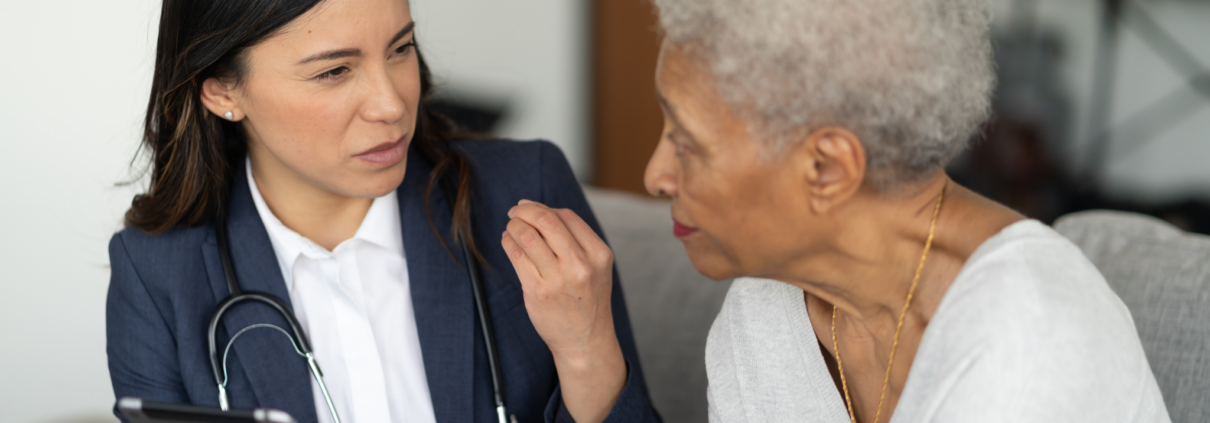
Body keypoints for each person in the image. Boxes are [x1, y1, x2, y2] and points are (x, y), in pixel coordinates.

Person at [505, 0, 1171, 421]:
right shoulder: (763, 310)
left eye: (688, 142)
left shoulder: (1030, 341)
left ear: (827, 168)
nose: (654, 175)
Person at [105, 0, 660, 422]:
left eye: (400, 49)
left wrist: (586, 352)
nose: (392, 104)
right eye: (333, 72)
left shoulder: (523, 191)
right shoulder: (156, 272)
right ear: (223, 92)